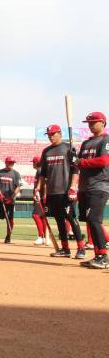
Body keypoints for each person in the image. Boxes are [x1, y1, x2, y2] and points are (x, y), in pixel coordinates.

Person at [36, 125, 85, 259]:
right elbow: (43, 173)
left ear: (59, 133)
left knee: (71, 218)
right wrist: (38, 188)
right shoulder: (46, 151)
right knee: (59, 221)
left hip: (66, 191)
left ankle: (81, 247)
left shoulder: (69, 148)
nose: (51, 136)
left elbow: (76, 169)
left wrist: (73, 187)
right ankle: (65, 249)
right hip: (53, 192)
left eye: (53, 134)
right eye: (49, 134)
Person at [73, 112, 109, 269]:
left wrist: (81, 162)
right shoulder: (86, 144)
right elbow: (77, 164)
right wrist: (72, 159)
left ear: (103, 122)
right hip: (85, 187)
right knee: (89, 221)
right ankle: (97, 255)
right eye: (89, 122)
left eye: (94, 122)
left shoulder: (106, 140)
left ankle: (103, 256)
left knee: (94, 220)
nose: (90, 124)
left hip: (99, 186)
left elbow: (104, 161)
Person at [0, 157, 21, 244]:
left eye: (13, 163)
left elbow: (18, 187)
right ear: (6, 162)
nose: (11, 164)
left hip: (10, 201)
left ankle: (8, 237)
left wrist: (12, 197)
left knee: (10, 220)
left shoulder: (16, 174)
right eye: (10, 162)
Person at [30, 156, 48, 246]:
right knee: (42, 217)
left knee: (35, 215)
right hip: (40, 196)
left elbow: (44, 184)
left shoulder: (40, 170)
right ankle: (44, 238)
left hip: (41, 197)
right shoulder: (40, 170)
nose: (32, 164)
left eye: (33, 162)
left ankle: (41, 236)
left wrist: (44, 195)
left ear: (36, 163)